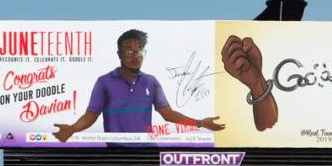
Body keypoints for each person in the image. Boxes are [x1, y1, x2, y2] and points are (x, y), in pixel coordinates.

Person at [53, 29, 224, 143]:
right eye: (129, 51)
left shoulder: (151, 81)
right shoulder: (104, 81)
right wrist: (72, 129)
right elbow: (90, 116)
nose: (135, 56)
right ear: (119, 54)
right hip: (116, 151)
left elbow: (168, 114)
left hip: (147, 149)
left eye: (140, 51)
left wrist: (200, 123)